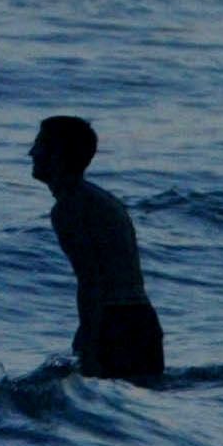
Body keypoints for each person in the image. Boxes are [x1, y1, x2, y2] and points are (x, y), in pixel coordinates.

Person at [29, 115, 164, 383]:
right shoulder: (97, 198)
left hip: (117, 324)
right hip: (141, 320)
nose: (31, 152)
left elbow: (91, 281)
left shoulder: (68, 208)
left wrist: (90, 344)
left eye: (40, 144)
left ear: (57, 155)